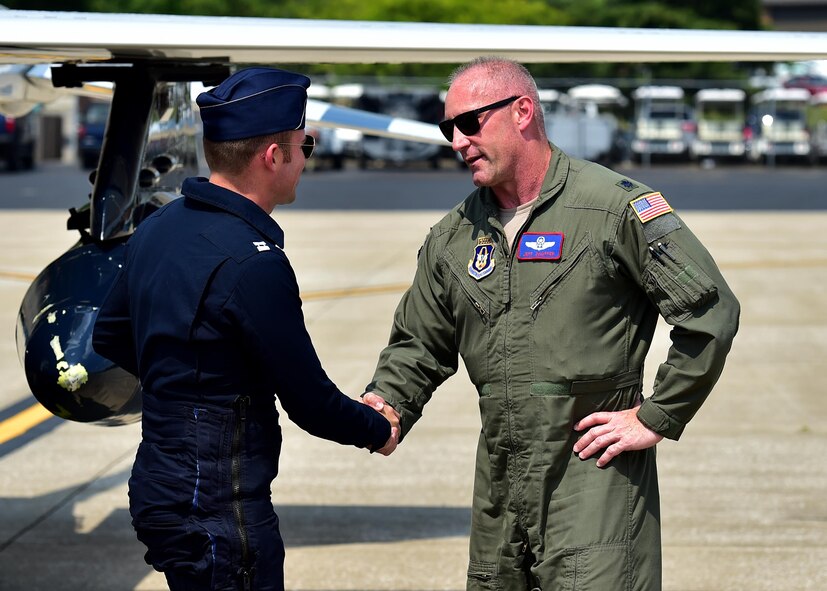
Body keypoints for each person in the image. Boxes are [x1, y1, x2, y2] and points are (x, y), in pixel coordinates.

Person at [362, 57, 739, 590]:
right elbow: (421, 341)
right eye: (448, 128)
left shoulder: (612, 208)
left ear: (522, 112)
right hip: (500, 478)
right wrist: (389, 402)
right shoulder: (455, 236)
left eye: (469, 123)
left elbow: (710, 311)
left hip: (593, 478)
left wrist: (657, 415)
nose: (457, 141)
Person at [92, 67, 399, 591]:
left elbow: (110, 337)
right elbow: (310, 402)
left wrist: (187, 380)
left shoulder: (158, 227)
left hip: (162, 486)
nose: (307, 159)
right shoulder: (252, 263)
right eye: (306, 146)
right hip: (217, 507)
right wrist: (378, 429)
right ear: (273, 156)